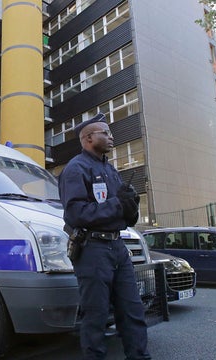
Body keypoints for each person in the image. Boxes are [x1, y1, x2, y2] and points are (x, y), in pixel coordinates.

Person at [59, 113, 150, 360]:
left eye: (110, 133)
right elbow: (76, 213)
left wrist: (131, 205)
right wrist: (117, 204)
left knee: (132, 311)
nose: (111, 137)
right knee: (95, 316)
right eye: (105, 133)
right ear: (88, 138)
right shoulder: (75, 168)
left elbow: (124, 216)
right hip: (92, 249)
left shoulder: (110, 170)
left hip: (118, 247)